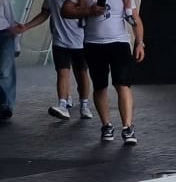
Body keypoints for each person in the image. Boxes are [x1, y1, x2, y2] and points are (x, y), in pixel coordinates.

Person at [62, 0, 142, 143]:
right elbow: (66, 10)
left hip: (119, 43)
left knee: (122, 84)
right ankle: (106, 125)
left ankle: (128, 127)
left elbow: (135, 16)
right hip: (94, 44)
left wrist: (139, 42)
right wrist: (88, 11)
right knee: (100, 86)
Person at [40, 0, 94, 120]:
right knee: (62, 72)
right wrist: (26, 26)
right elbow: (44, 13)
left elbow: (89, 11)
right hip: (60, 41)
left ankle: (84, 105)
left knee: (81, 73)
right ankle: (63, 105)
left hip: (80, 40)